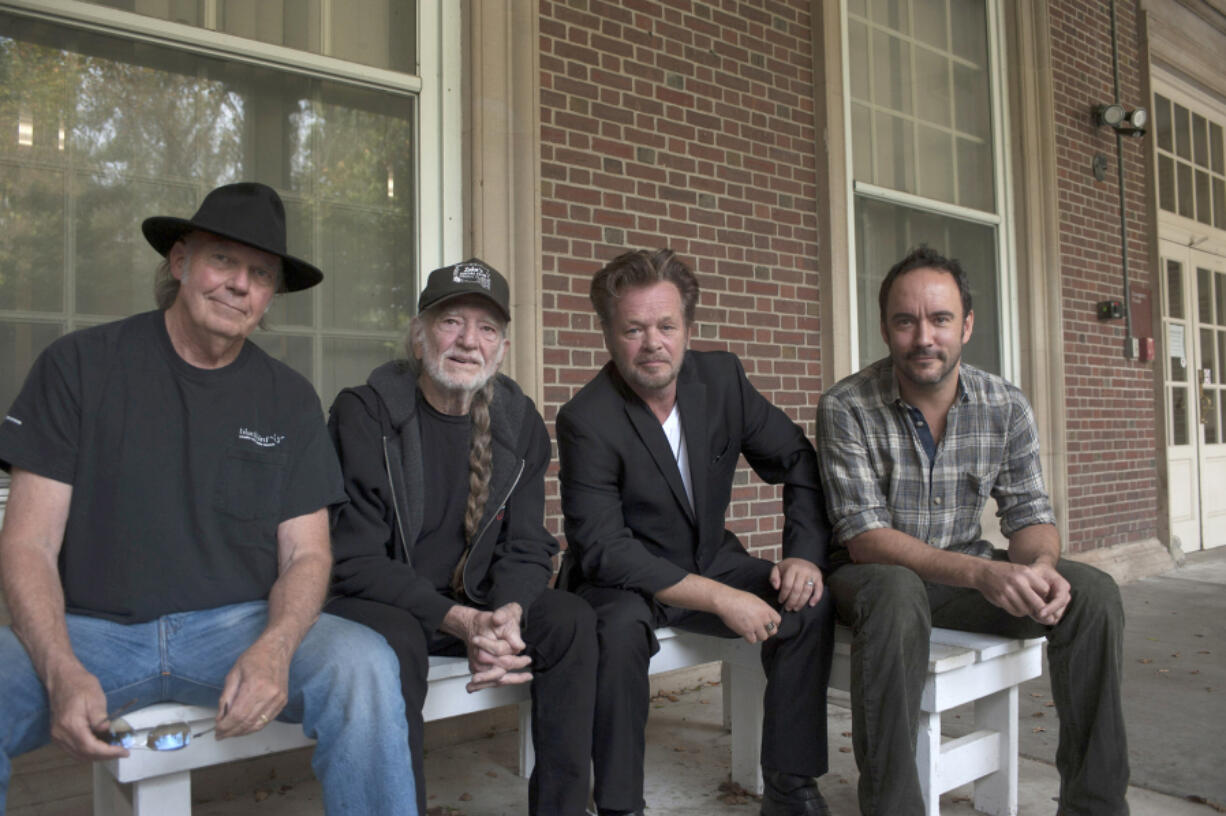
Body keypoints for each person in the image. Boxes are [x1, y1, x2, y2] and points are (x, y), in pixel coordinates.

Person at [0, 182, 417, 815]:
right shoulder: (78, 365)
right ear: (180, 261)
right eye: (223, 259)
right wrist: (60, 665)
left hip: (237, 628)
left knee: (362, 665)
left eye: (260, 273)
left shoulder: (289, 398)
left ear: (271, 293)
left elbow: (307, 555)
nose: (239, 284)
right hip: (90, 631)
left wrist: (276, 646)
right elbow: (28, 542)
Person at [816, 246, 1128, 816]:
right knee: (894, 589)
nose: (923, 337)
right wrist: (983, 571)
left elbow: (1030, 513)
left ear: (967, 325)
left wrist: (1038, 569)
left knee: (1094, 596)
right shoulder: (846, 406)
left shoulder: (1003, 404)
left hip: (961, 581)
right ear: (885, 328)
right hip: (871, 581)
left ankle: (1096, 807)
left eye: (939, 319)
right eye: (905, 320)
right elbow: (865, 537)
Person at [556, 248, 835, 816]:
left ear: (688, 329)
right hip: (623, 582)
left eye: (666, 325)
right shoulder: (586, 418)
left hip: (711, 558)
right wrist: (720, 597)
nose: (652, 342)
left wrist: (804, 554)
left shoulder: (723, 379)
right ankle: (618, 806)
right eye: (633, 328)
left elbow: (798, 459)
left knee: (806, 604)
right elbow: (605, 550)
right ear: (609, 334)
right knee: (616, 632)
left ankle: (789, 787)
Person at [325, 258, 597, 816]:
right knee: (394, 640)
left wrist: (507, 616)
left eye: (488, 328)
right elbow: (352, 560)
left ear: (501, 349)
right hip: (386, 604)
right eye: (451, 321)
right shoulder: (366, 414)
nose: (468, 341)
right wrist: (461, 622)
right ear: (420, 335)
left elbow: (526, 544)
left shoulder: (519, 424)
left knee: (571, 621)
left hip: (476, 609)